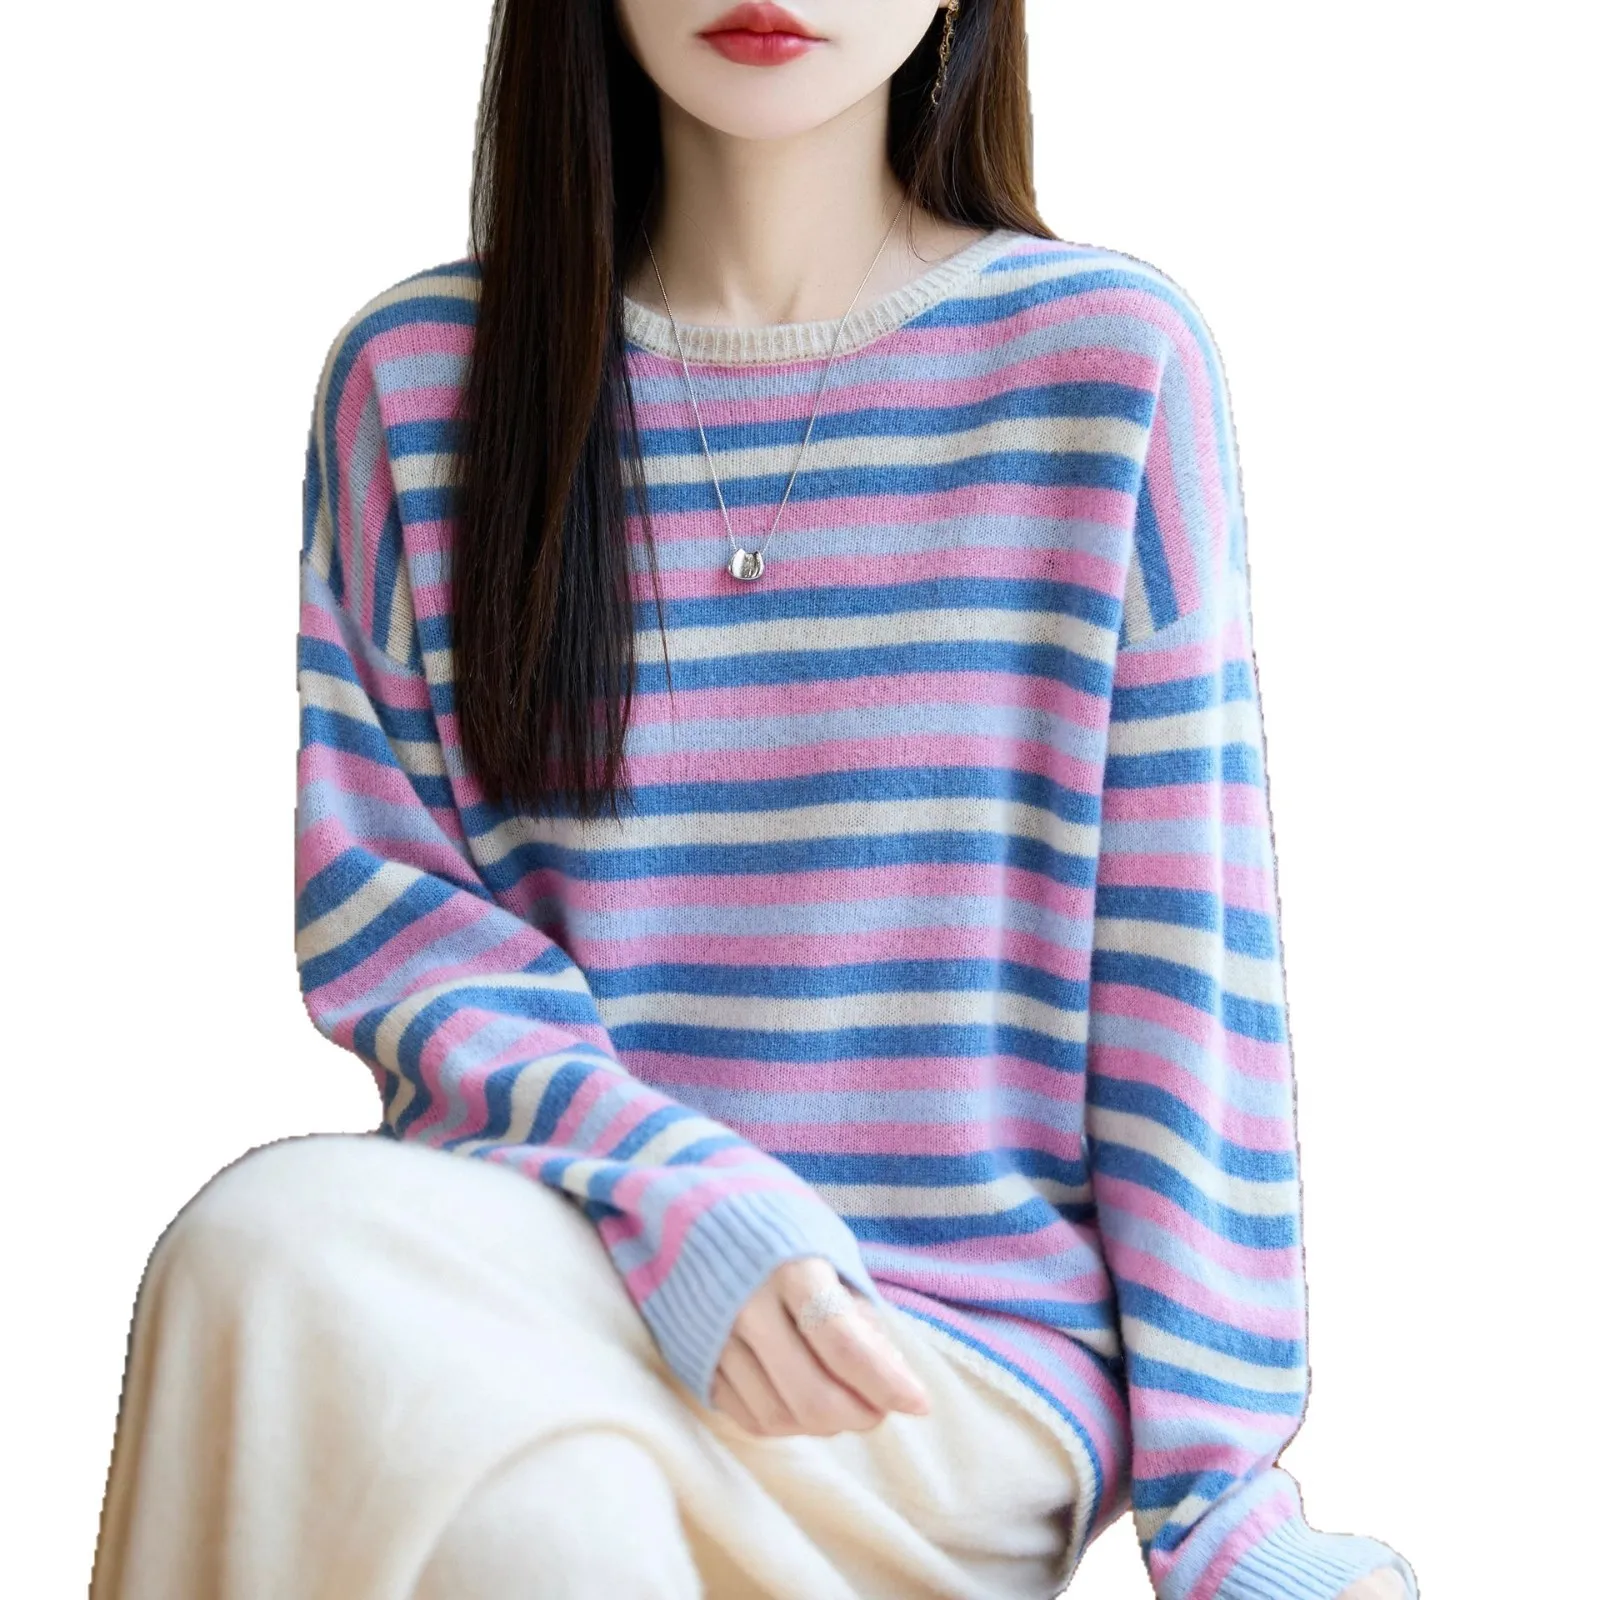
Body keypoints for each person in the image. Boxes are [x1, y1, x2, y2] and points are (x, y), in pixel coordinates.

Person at [90, 4, 1421, 1598]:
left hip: (929, 1376)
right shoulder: (419, 384)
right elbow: (405, 940)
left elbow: (1182, 985)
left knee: (332, 1334)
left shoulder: (1106, 368)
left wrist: (1225, 1517)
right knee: (288, 1267)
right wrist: (695, 1207)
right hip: (558, 1271)